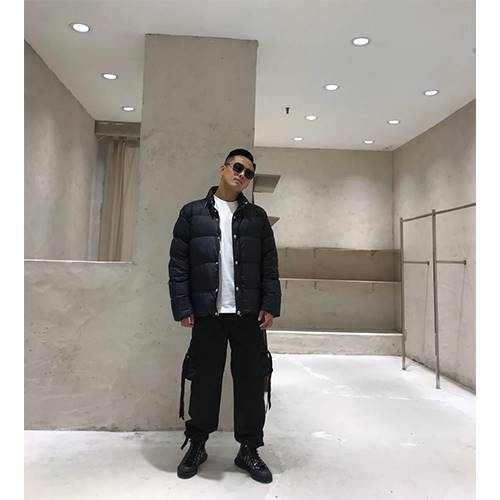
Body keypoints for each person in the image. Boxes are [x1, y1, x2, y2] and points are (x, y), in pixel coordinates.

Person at [168, 148, 281, 483]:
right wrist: (183, 307)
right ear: (223, 168)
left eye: (248, 173)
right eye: (237, 168)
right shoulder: (192, 213)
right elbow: (178, 265)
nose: (241, 175)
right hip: (208, 314)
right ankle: (197, 444)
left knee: (251, 382)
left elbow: (270, 265)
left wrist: (270, 304)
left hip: (248, 315)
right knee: (204, 380)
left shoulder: (257, 217)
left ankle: (249, 449)